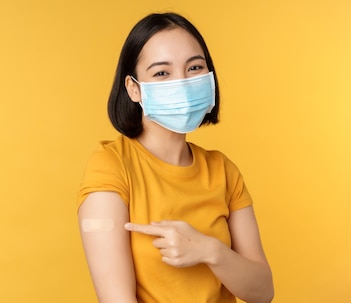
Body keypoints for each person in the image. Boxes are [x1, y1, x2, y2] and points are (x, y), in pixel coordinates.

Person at [76, 12, 274, 303]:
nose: (182, 82)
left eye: (194, 67)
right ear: (133, 88)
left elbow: (262, 291)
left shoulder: (223, 170)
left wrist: (210, 251)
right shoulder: (111, 166)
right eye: (161, 73)